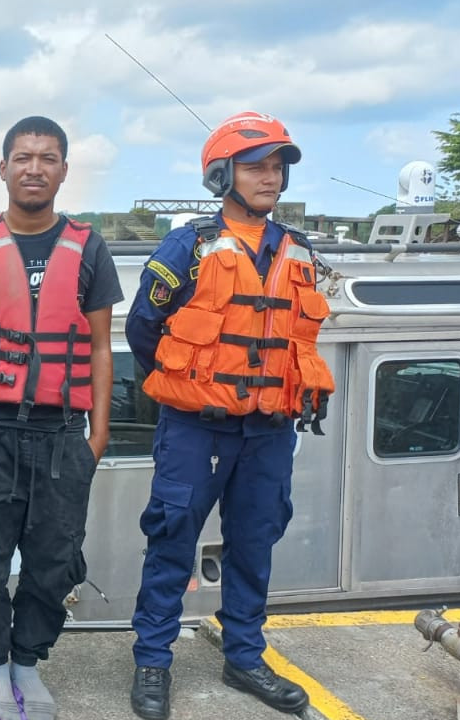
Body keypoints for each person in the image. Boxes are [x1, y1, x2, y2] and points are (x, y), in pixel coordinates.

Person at [125, 112, 335, 720]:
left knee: (254, 544)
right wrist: (189, 386)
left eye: (277, 167)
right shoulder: (187, 246)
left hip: (269, 431)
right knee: (171, 541)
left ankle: (244, 657)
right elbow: (144, 329)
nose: (269, 178)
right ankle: (153, 663)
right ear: (223, 174)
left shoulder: (299, 250)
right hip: (196, 428)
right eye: (256, 166)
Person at [0, 116, 122, 720]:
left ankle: (26, 663)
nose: (35, 168)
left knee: (53, 561)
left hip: (63, 432)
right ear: (3, 168)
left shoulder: (89, 247)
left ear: (64, 170)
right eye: (23, 157)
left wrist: (97, 434)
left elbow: (100, 345)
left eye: (48, 158)